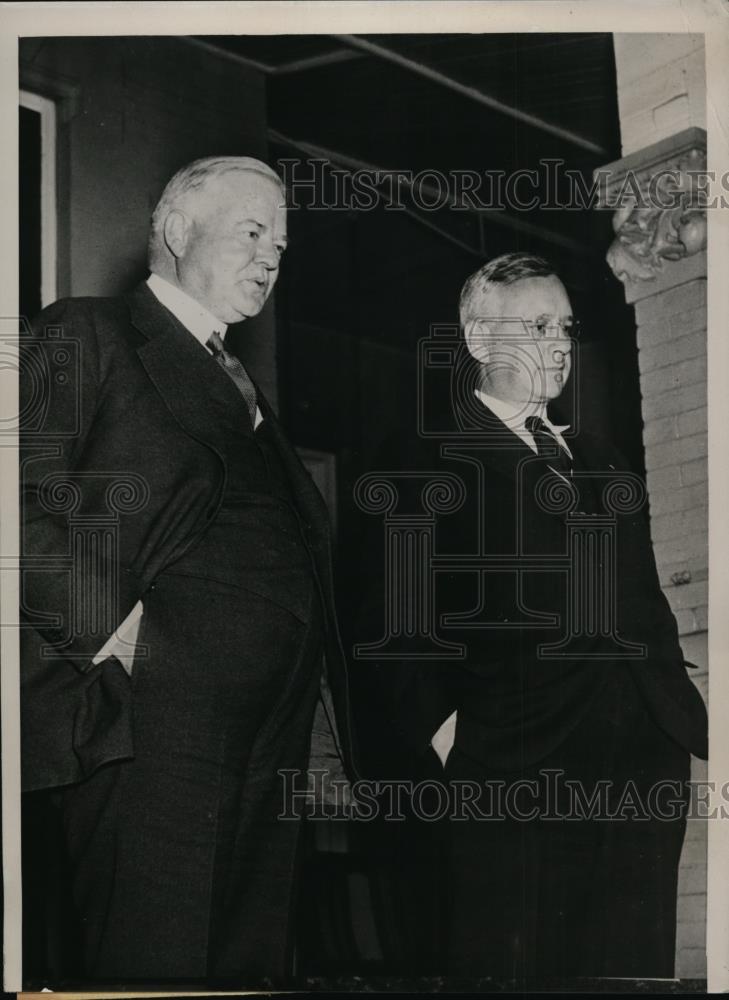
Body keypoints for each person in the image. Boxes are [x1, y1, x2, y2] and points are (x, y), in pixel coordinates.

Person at [20, 156, 354, 985]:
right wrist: (114, 634)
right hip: (152, 725)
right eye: (252, 231)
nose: (272, 256)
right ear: (176, 231)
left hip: (269, 738)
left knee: (243, 971)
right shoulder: (87, 332)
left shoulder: (251, 395)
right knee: (151, 968)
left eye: (281, 242)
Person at [353, 251, 707, 983]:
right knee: (518, 970)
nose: (558, 344)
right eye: (536, 325)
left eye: (565, 327)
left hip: (640, 758)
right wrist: (450, 740)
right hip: (512, 761)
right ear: (480, 339)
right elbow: (393, 618)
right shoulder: (424, 455)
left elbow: (641, 600)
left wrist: (672, 709)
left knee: (631, 971)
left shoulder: (603, 459)